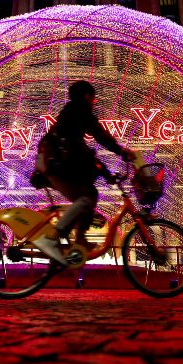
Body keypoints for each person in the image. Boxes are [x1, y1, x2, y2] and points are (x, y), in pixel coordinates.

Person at [33, 80, 135, 264]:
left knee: (91, 193)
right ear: (87, 96)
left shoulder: (72, 118)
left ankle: (79, 238)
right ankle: (52, 238)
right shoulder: (79, 111)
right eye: (93, 98)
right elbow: (99, 134)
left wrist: (105, 173)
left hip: (55, 163)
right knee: (87, 197)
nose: (94, 102)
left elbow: (84, 153)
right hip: (54, 165)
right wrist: (121, 151)